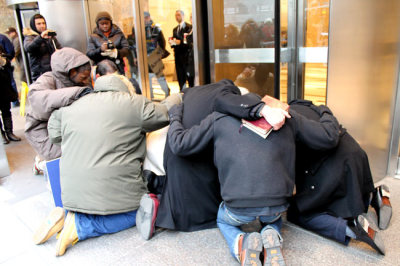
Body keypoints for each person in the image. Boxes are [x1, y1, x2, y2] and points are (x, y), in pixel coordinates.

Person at [166, 95, 340, 265]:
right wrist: (324, 111)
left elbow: (179, 144)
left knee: (222, 219)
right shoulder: (286, 116)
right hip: (277, 205)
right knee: (274, 217)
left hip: (237, 208)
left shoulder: (218, 118)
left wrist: (175, 116)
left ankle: (240, 243)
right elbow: (329, 136)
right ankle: (271, 232)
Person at [32, 74, 181, 256]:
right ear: (125, 88)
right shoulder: (132, 103)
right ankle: (80, 226)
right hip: (113, 190)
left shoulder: (72, 107)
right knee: (138, 211)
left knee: (103, 201)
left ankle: (68, 215)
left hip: (71, 194)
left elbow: (54, 134)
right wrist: (180, 96)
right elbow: (164, 112)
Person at [286, 99, 391, 255]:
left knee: (298, 212)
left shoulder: (288, 120)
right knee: (352, 195)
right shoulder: (312, 108)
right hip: (356, 155)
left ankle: (350, 226)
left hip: (333, 167)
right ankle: (378, 196)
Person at [25, 47, 92, 175]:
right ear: (71, 72)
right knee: (61, 157)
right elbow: (37, 98)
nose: (86, 81)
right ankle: (40, 164)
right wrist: (76, 93)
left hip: (65, 126)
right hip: (42, 129)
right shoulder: (47, 79)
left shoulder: (79, 83)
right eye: (83, 77)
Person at [24, 14, 62, 82]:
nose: (42, 26)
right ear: (33, 25)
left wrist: (59, 52)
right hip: (40, 74)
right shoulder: (29, 37)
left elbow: (59, 47)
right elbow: (28, 48)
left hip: (53, 71)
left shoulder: (49, 35)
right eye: (39, 24)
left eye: (43, 23)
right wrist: (41, 37)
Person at [0, 44, 21, 144]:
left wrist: (3, 61)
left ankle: (9, 132)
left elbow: (8, 60)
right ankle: (2, 135)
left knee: (6, 110)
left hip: (3, 83)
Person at [170, 10, 192, 90]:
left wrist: (180, 42)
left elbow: (189, 41)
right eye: (176, 15)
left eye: (178, 15)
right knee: (180, 75)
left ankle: (190, 91)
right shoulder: (175, 29)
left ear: (183, 16)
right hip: (178, 55)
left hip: (186, 56)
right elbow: (175, 41)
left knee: (188, 76)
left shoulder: (188, 27)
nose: (177, 17)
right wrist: (172, 43)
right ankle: (182, 90)